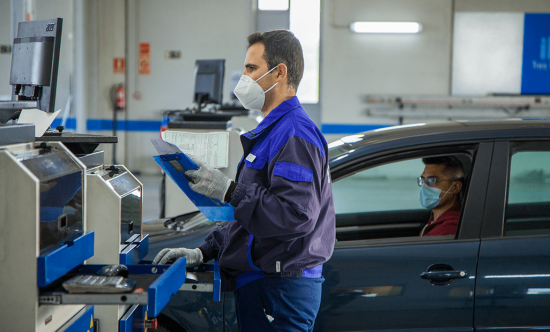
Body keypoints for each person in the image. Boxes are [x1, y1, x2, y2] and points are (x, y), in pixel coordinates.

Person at [154, 30, 335, 332]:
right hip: (263, 282)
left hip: (281, 290)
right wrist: (205, 250)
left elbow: (294, 216)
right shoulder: (272, 132)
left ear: (280, 72)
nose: (245, 79)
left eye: (252, 69)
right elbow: (250, 221)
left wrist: (230, 190)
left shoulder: (294, 135)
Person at [418, 156, 464, 236]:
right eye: (422, 180)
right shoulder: (435, 221)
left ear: (455, 187)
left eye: (432, 180)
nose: (424, 186)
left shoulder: (448, 230)